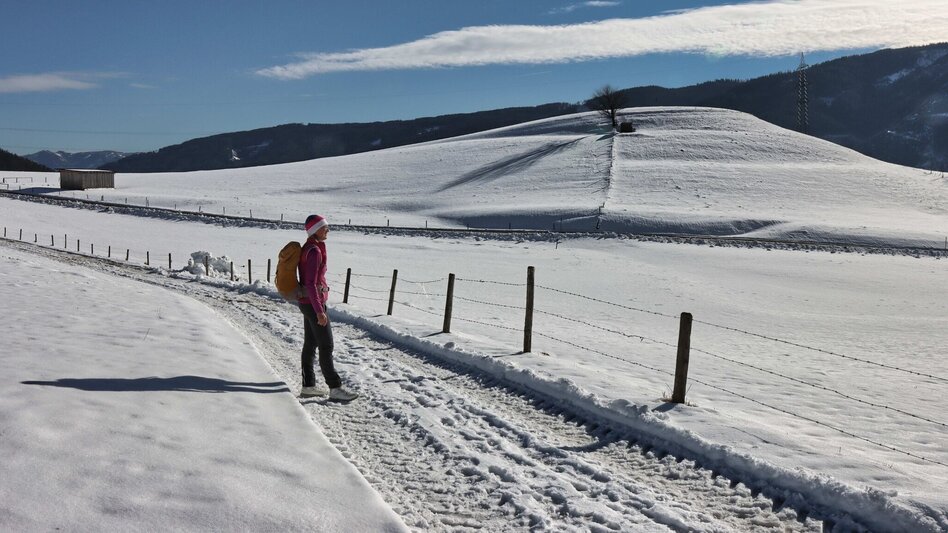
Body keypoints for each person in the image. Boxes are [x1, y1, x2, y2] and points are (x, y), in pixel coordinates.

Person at [298, 214, 358, 402]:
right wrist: (320, 311)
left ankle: (308, 386)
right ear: (316, 230)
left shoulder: (309, 247)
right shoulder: (314, 251)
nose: (328, 230)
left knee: (311, 344)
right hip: (314, 304)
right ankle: (335, 388)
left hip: (307, 303)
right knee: (326, 345)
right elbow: (310, 283)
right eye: (325, 227)